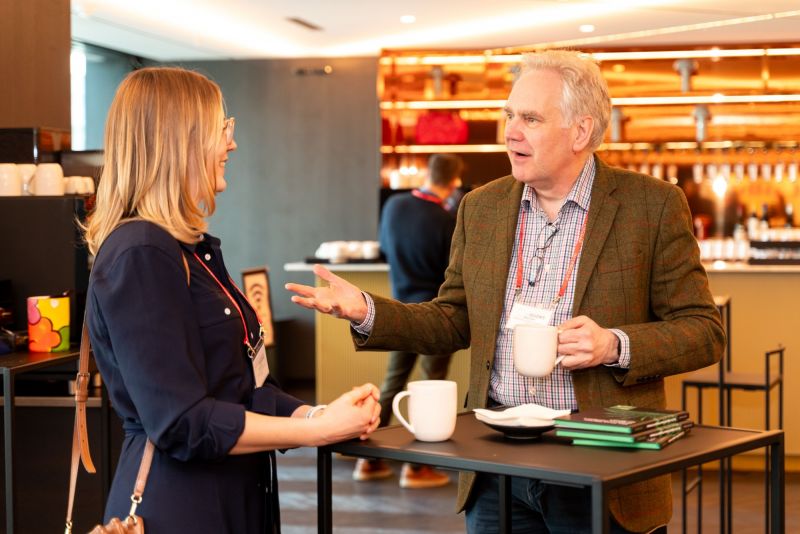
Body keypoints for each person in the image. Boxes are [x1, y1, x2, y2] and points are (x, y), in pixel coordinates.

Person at [288, 50, 724, 533]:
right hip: (496, 464)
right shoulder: (482, 208)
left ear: (581, 131)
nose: (511, 131)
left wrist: (613, 345)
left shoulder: (652, 206)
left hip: (602, 460)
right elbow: (453, 318)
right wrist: (366, 311)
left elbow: (704, 331)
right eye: (509, 115)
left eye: (530, 119)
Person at [82, 67, 380, 532]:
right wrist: (315, 430)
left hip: (231, 495)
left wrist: (320, 413)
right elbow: (181, 421)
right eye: (221, 128)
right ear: (178, 140)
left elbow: (246, 390)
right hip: (182, 508)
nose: (232, 144)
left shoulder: (187, 250)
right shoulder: (141, 252)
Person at [353, 154, 462, 488]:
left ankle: (368, 461)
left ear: (428, 174)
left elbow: (386, 249)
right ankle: (417, 468)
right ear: (454, 182)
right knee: (432, 386)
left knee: (392, 384)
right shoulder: (446, 219)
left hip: (399, 310)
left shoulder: (394, 206)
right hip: (435, 316)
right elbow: (453, 271)